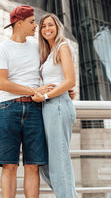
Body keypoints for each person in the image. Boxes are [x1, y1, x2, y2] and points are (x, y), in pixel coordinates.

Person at [0, 5, 75, 198]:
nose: (36, 26)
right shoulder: (2, 49)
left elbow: (56, 70)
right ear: (19, 23)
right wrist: (34, 91)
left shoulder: (38, 47)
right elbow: (2, 83)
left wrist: (63, 90)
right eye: (32, 22)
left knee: (33, 166)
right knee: (9, 165)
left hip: (35, 108)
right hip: (8, 108)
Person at [32, 13, 77, 198]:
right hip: (49, 107)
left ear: (58, 27)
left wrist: (47, 96)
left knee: (59, 161)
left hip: (56, 105)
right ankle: (69, 195)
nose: (47, 29)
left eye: (50, 25)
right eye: (43, 26)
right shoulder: (47, 52)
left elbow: (70, 81)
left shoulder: (62, 46)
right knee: (44, 163)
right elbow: (61, 81)